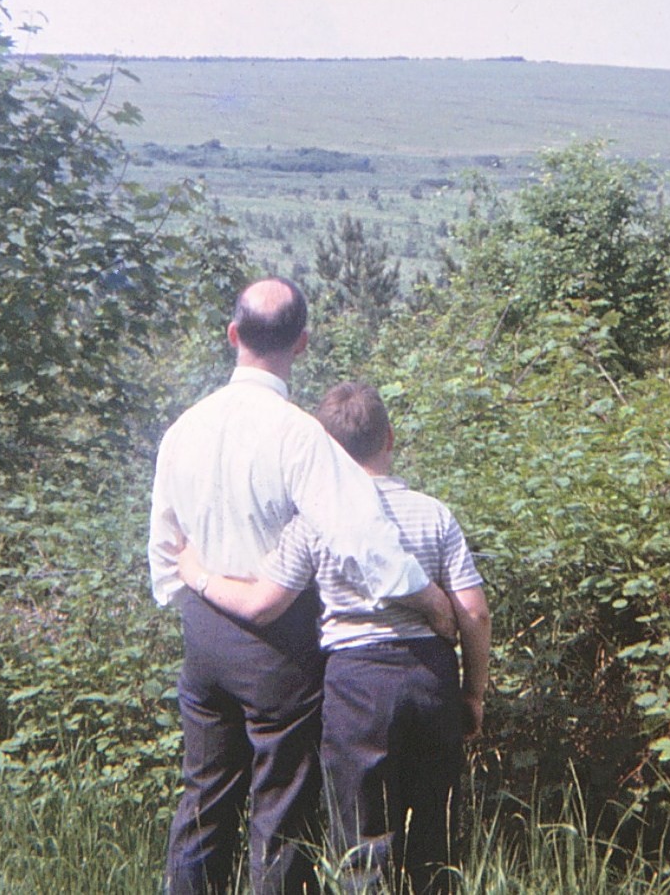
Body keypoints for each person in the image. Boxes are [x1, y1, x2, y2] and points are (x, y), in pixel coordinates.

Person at [148, 278, 456, 895]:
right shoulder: (297, 434)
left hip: (204, 633)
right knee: (280, 809)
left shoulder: (184, 427)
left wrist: (191, 591)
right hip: (278, 640)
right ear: (303, 342)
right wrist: (427, 599)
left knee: (202, 801)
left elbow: (165, 546)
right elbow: (357, 534)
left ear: (234, 335)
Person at [177, 381, 491, 894]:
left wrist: (196, 572)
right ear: (390, 436)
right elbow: (473, 613)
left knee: (363, 845)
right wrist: (473, 693)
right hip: (431, 676)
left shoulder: (314, 522)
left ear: (322, 446)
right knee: (434, 838)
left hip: (356, 683)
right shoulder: (435, 514)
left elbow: (262, 603)